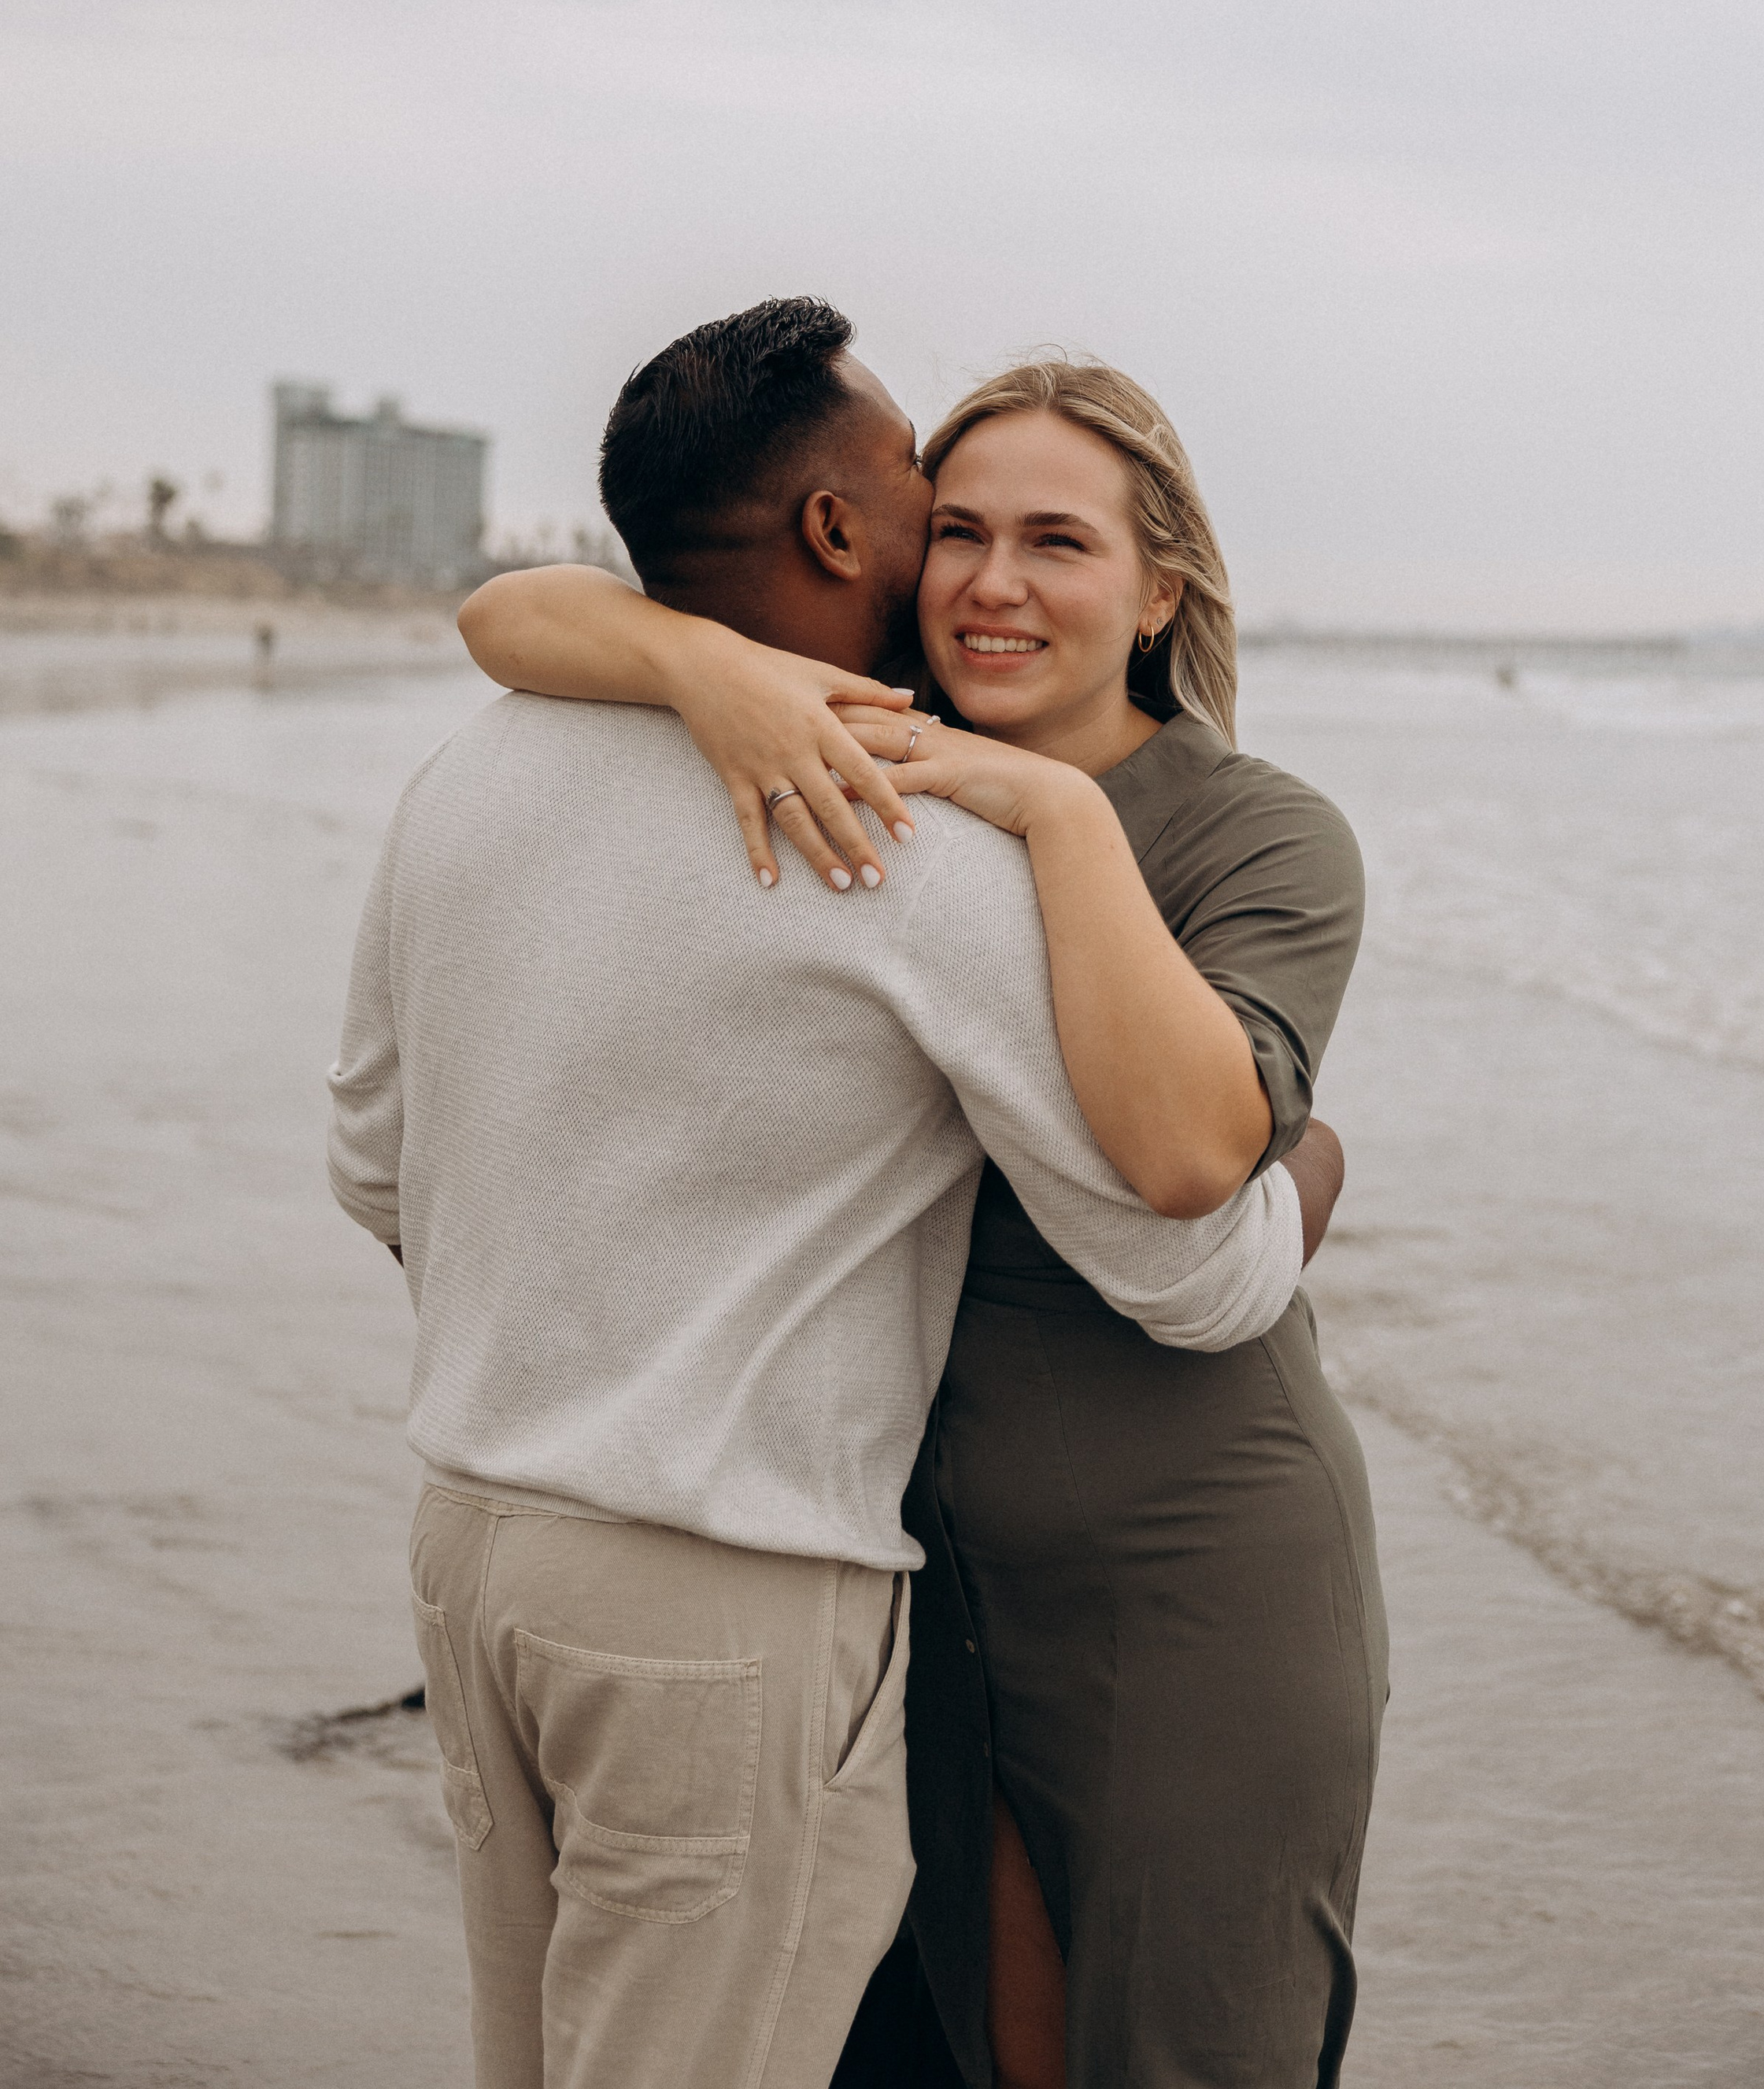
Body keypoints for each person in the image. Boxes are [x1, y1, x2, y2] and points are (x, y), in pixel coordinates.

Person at [327, 301, 1319, 2089]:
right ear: (834, 533)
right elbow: (1191, 1273)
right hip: (720, 1593)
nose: (961, 555)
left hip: (474, 1545)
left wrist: (590, 1293)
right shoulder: (900, 838)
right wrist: (1302, 1174)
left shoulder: (464, 776)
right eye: (926, 505)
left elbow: (370, 1165)